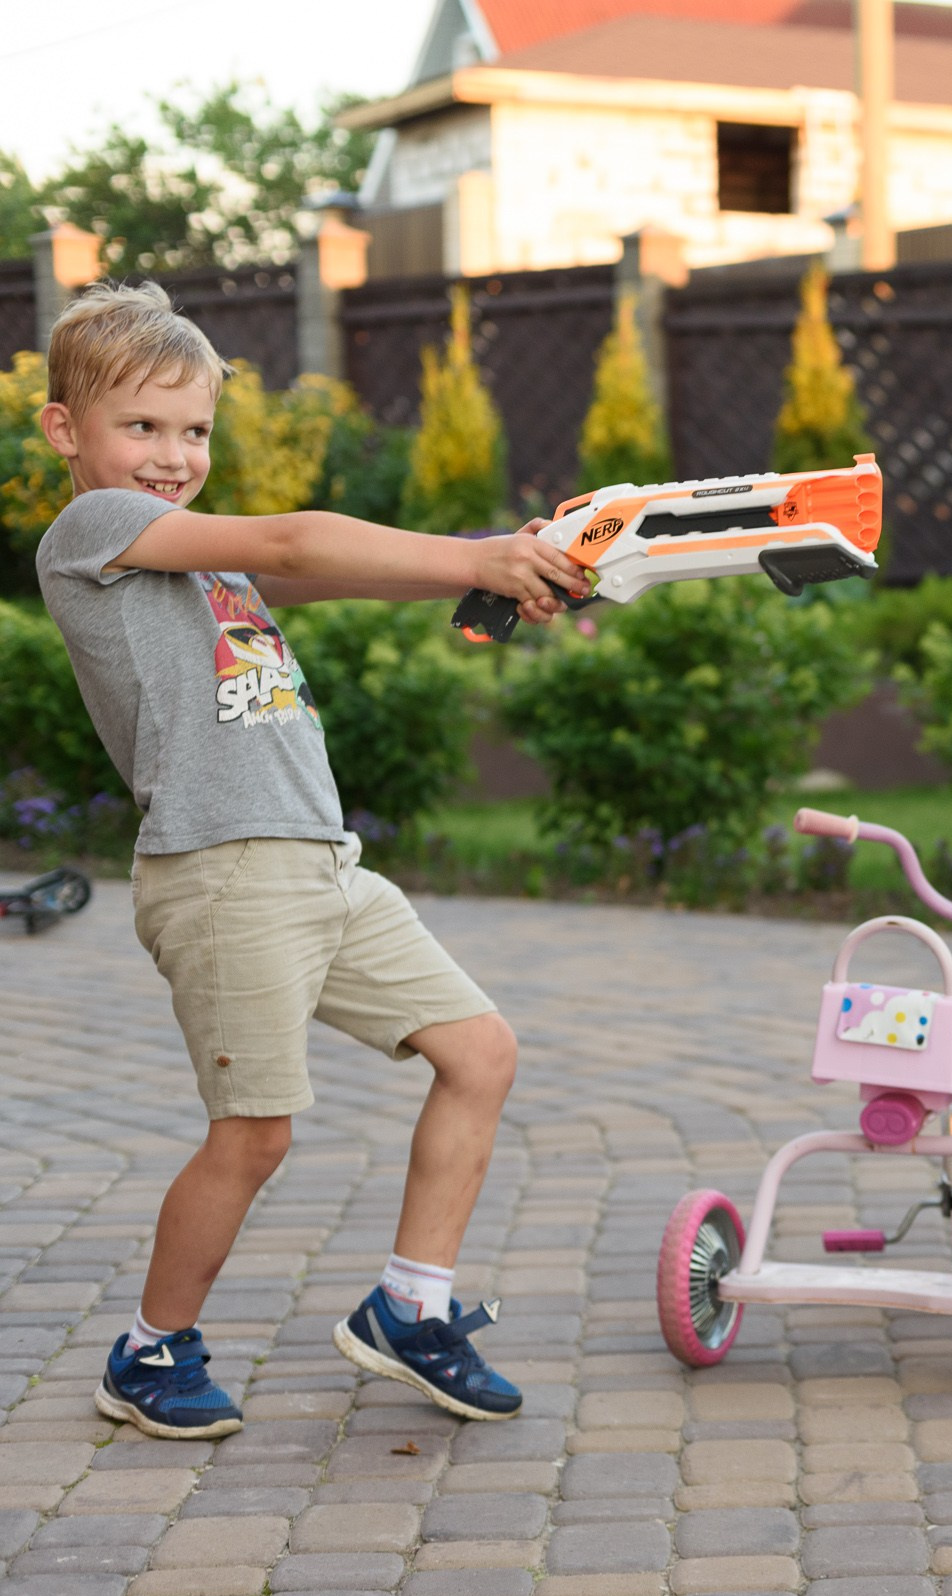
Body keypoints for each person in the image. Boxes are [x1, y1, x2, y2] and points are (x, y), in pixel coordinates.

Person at [35, 282, 588, 1440]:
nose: (174, 455)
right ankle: (149, 1351)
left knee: (479, 1052)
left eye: (193, 430)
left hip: (323, 867)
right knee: (257, 1131)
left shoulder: (199, 566)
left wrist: (505, 568)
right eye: (141, 426)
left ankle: (410, 1306)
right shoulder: (94, 533)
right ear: (65, 431)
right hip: (222, 871)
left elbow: (331, 564)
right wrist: (479, 554)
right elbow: (296, 534)